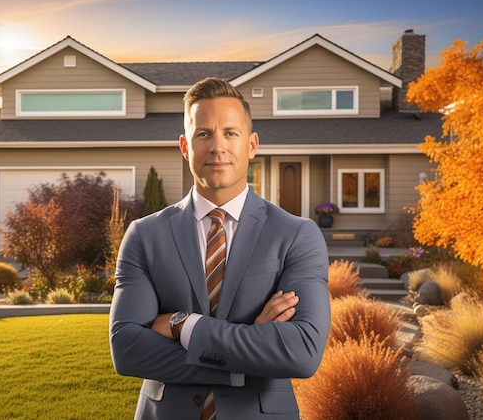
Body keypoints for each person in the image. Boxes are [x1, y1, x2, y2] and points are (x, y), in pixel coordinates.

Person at [110, 77, 330, 419]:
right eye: (204, 134)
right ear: (185, 147)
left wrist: (183, 325)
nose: (217, 146)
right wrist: (249, 355)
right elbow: (127, 349)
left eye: (230, 132)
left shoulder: (297, 235)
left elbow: (302, 351)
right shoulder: (144, 235)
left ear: (252, 145)